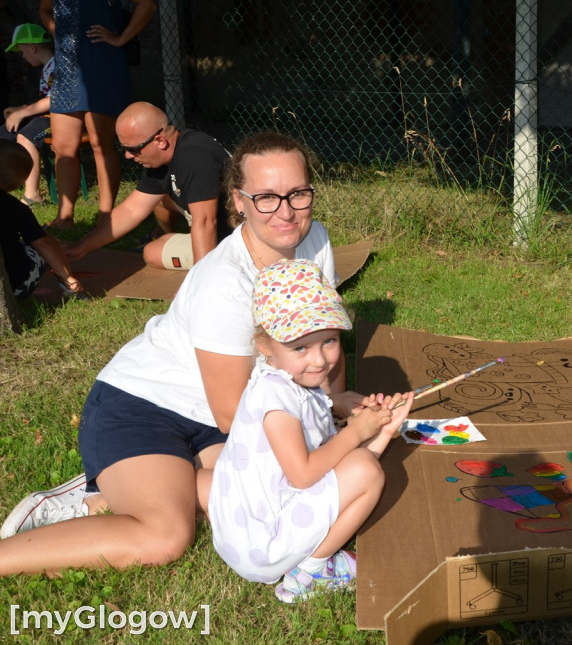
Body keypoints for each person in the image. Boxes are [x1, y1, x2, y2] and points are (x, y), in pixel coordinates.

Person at [0, 132, 371, 573]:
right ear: (239, 201)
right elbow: (233, 416)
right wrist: (329, 429)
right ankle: (90, 503)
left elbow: (322, 336)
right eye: (267, 197)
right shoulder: (225, 285)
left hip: (224, 416)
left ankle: (116, 495)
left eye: (298, 194)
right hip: (144, 406)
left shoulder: (316, 242)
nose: (286, 212)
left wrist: (331, 415)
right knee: (165, 536)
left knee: (285, 493)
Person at [207, 259, 412, 603]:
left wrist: (380, 433)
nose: (319, 360)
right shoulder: (274, 399)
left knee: (363, 467)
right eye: (300, 347)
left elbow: (331, 462)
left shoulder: (289, 380)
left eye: (329, 341)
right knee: (366, 471)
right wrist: (357, 432)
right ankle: (308, 575)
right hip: (262, 544)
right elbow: (304, 475)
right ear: (265, 345)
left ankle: (308, 562)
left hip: (255, 530)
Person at [39, 0, 156, 230]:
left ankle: (106, 216)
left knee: (100, 143)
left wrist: (121, 38)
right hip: (67, 66)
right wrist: (57, 30)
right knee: (62, 146)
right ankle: (64, 218)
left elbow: (146, 3)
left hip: (101, 64)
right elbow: (44, 9)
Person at [64, 102, 232, 270]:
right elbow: (131, 210)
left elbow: (205, 222)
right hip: (215, 228)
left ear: (160, 141)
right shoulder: (161, 160)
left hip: (237, 237)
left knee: (165, 250)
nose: (128, 156)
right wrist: (83, 246)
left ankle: (219, 267)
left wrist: (199, 283)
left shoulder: (194, 156)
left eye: (133, 149)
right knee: (152, 252)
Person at [0, 140, 84, 298]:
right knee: (47, 239)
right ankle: (67, 282)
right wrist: (68, 277)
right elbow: (42, 243)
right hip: (15, 288)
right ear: (19, 180)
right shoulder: (16, 208)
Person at [1, 23, 55, 206]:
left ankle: (33, 196)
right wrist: (21, 109)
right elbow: (44, 98)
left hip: (59, 119)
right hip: (44, 117)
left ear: (32, 47)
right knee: (3, 132)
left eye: (23, 51)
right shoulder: (48, 67)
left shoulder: (57, 65)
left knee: (26, 136)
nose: (23, 56)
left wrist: (23, 112)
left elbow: (54, 99)